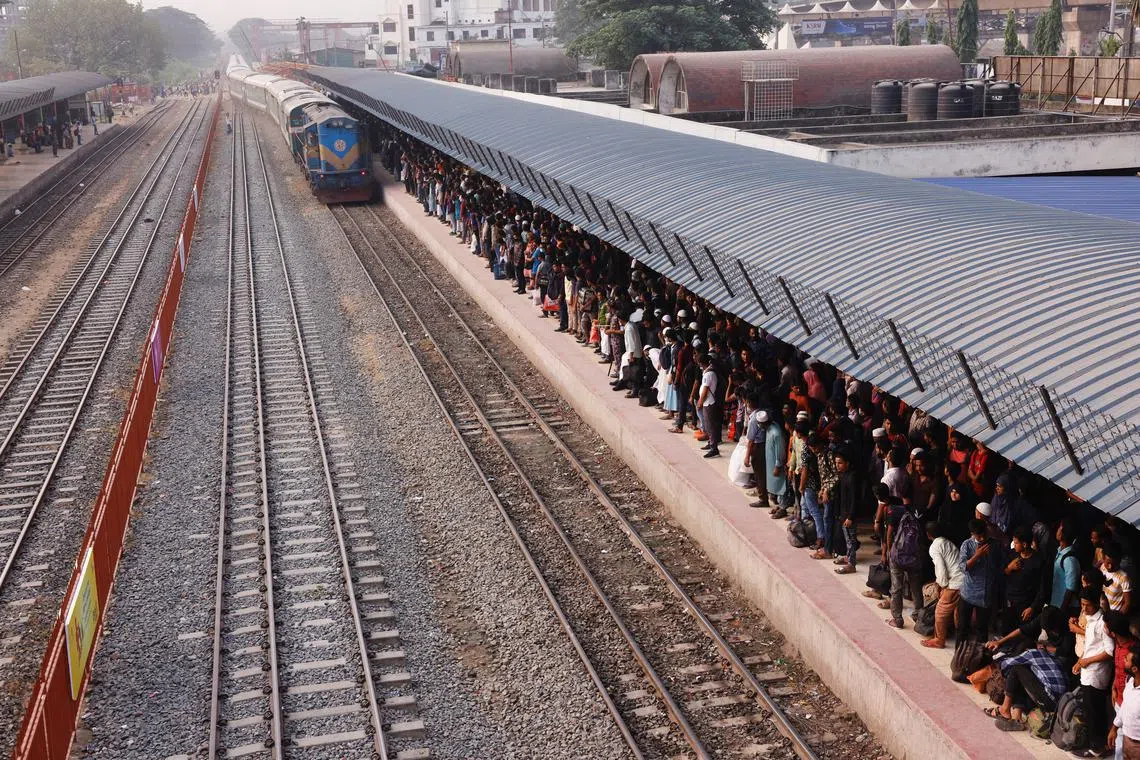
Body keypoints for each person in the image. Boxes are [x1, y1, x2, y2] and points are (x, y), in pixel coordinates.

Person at [1073, 586, 1115, 755]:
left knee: (1095, 711)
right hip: (1087, 671)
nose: (1084, 609)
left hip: (1096, 674)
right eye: (1082, 605)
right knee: (1090, 710)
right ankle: (1093, 744)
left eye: (1087, 605)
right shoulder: (1090, 619)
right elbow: (1091, 646)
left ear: (1096, 603)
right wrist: (1079, 661)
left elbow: (1110, 651)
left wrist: (1086, 661)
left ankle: (1097, 747)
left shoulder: (1102, 622)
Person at [957, 518, 1000, 646]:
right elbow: (963, 567)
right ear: (973, 534)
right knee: (962, 628)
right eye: (979, 536)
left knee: (982, 631)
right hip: (968, 594)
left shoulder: (994, 545)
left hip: (985, 596)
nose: (982, 538)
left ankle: (981, 658)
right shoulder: (967, 545)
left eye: (984, 535)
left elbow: (999, 567)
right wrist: (977, 555)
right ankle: (959, 655)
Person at [923, 521, 964, 649]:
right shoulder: (948, 543)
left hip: (954, 583)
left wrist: (942, 585)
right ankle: (961, 638)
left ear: (928, 535)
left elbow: (940, 569)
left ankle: (939, 640)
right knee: (958, 612)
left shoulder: (935, 547)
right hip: (964, 581)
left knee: (940, 611)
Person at [1000, 525, 1045, 635]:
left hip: (1026, 606)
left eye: (1016, 543)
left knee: (1024, 637)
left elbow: (1043, 588)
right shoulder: (1011, 555)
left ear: (1024, 544)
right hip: (1009, 603)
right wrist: (1009, 568)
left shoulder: (1038, 561)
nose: (1013, 545)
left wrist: (1032, 608)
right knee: (1006, 634)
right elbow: (999, 575)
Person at [1110, 650, 1140, 760]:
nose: (1123, 660)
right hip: (1127, 740)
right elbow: (1124, 708)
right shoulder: (1130, 681)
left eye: (1126, 660)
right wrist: (1114, 729)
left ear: (1134, 669)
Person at [833, 449, 859, 575]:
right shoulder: (843, 475)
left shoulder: (852, 477)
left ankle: (851, 564)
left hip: (849, 515)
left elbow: (854, 499)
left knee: (851, 539)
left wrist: (850, 516)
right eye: (836, 463)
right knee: (846, 538)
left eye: (840, 463)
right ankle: (848, 557)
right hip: (843, 513)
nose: (837, 466)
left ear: (847, 463)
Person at [1053, 520, 1083, 617]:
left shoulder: (1069, 560)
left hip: (1065, 608)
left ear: (1062, 535)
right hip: (1056, 602)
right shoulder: (1059, 551)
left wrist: (1061, 612)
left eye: (1059, 529)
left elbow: (1071, 588)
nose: (1057, 531)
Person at [696, 353, 721, 459]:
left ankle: (714, 448)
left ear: (701, 363)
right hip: (707, 402)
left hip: (709, 402)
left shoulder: (708, 374)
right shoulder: (707, 372)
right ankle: (711, 443)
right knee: (708, 424)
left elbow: (705, 390)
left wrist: (700, 402)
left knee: (710, 425)